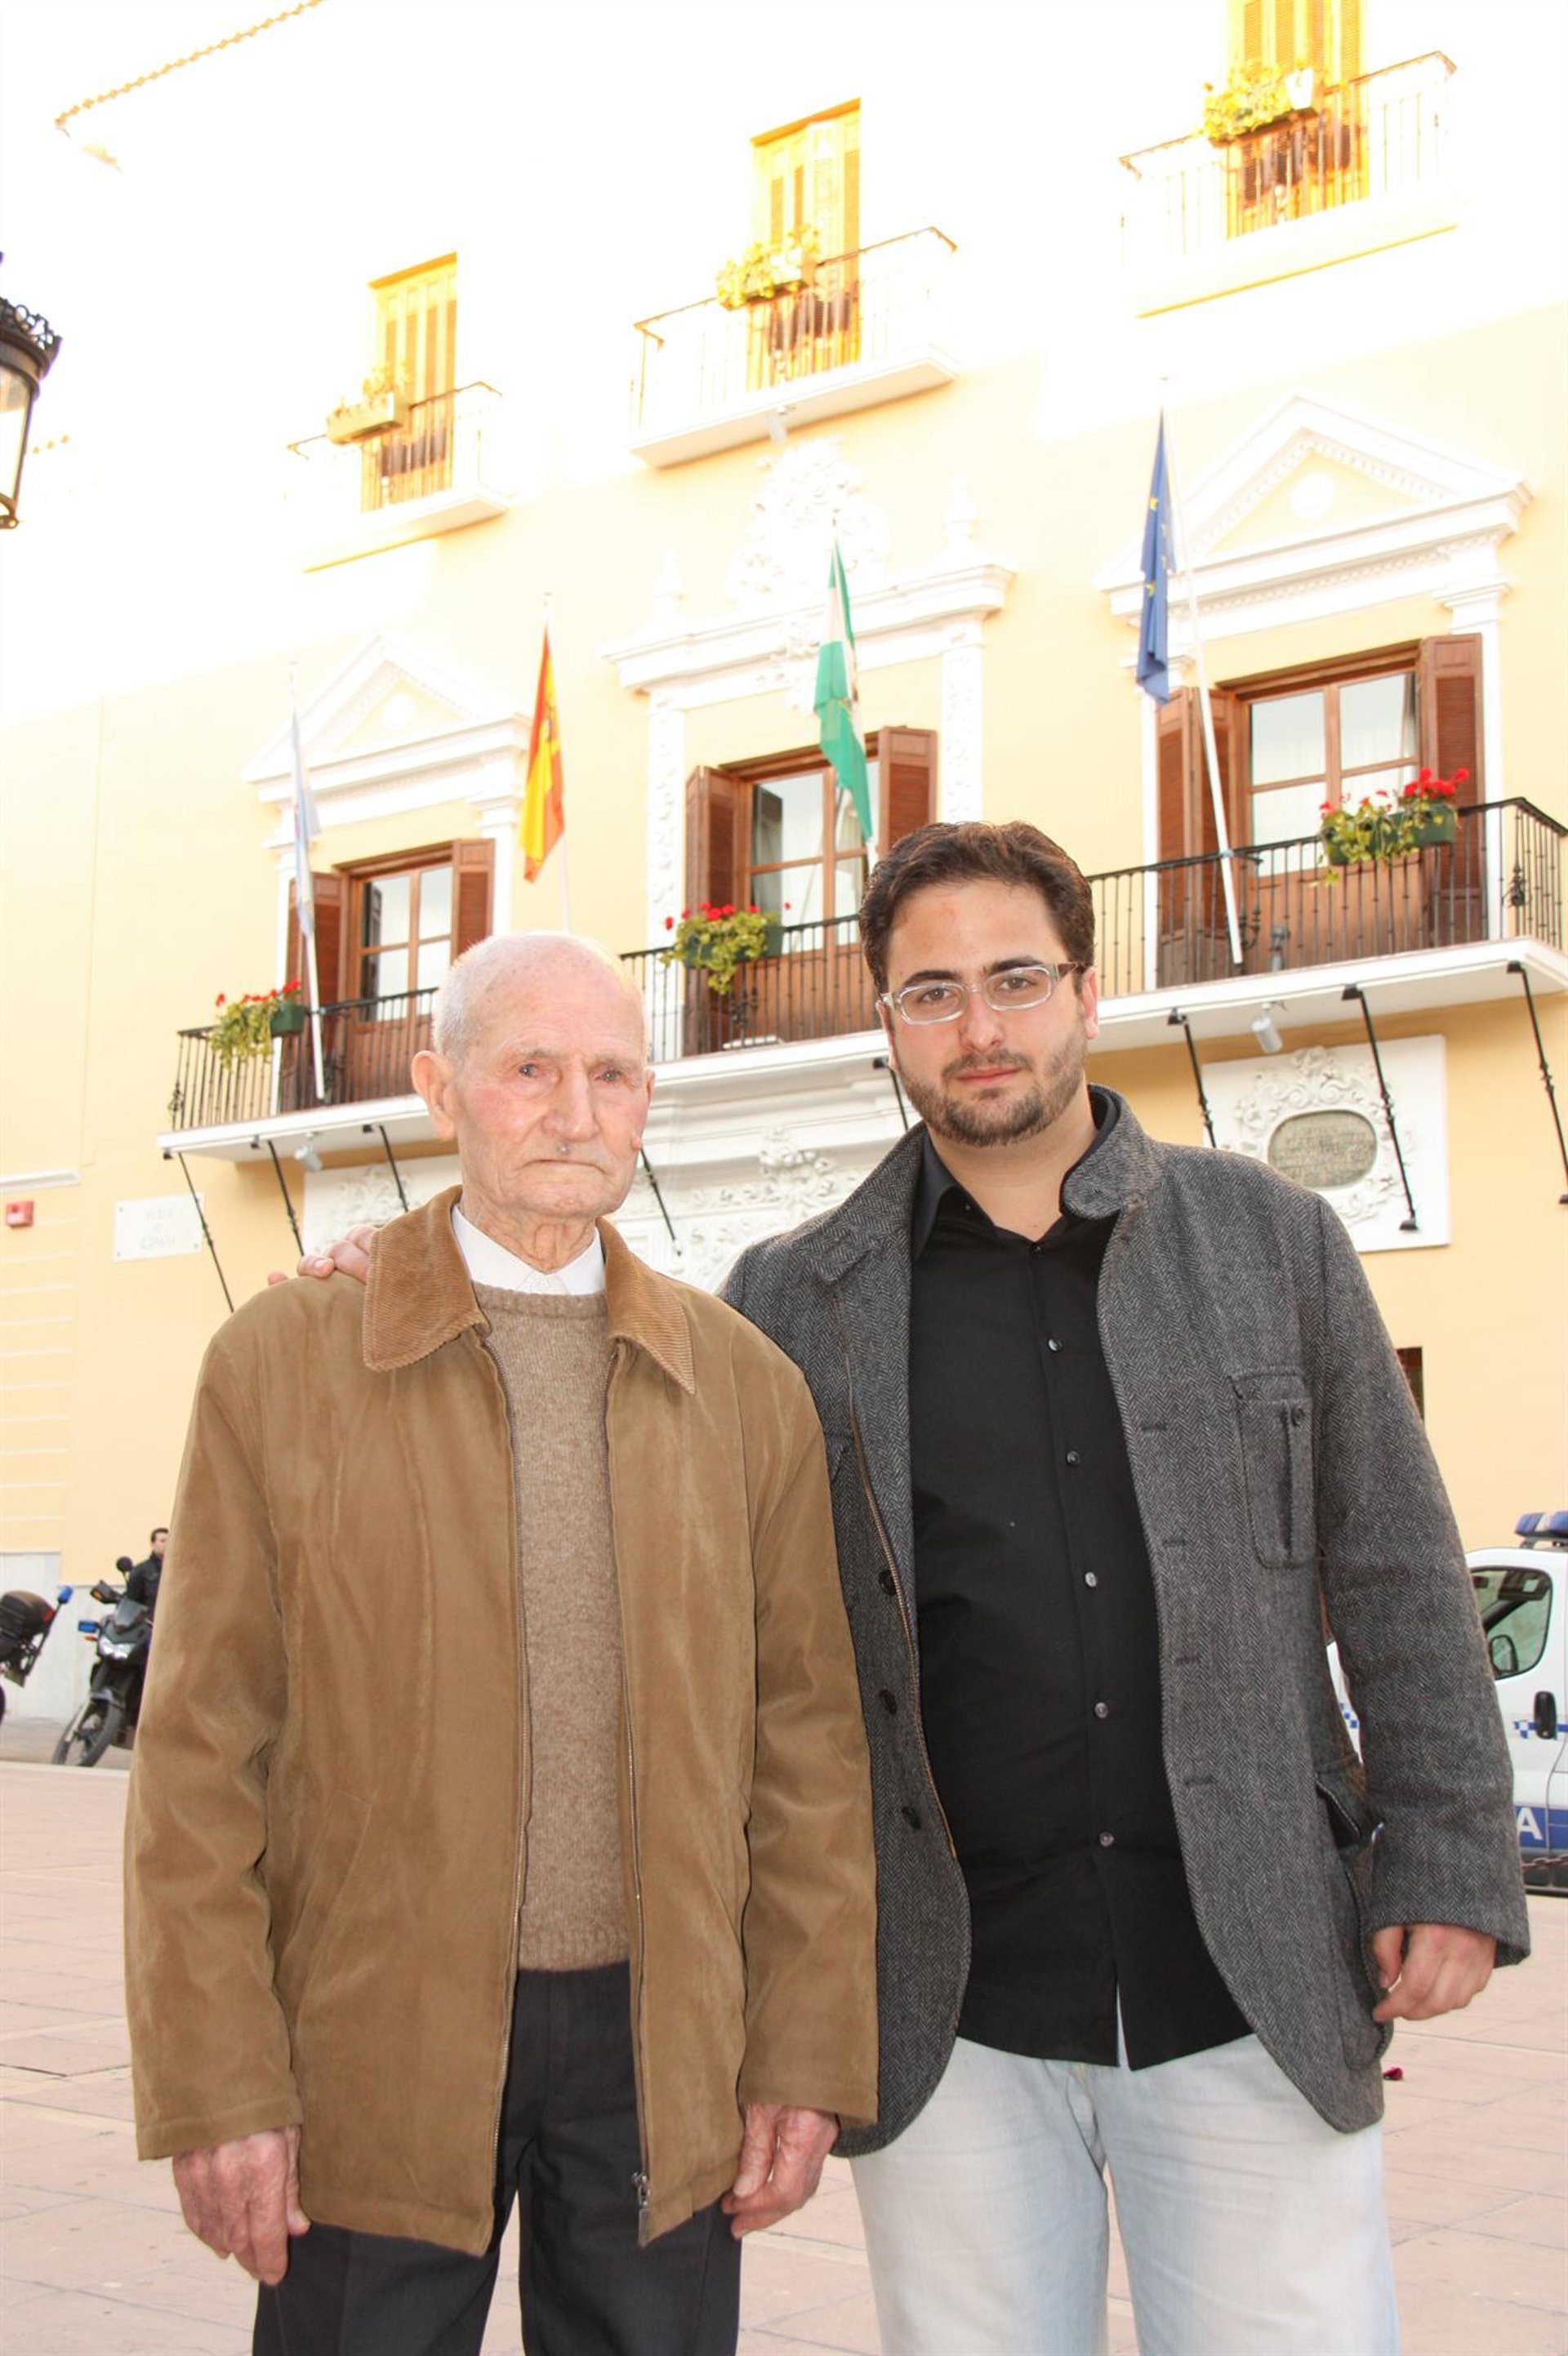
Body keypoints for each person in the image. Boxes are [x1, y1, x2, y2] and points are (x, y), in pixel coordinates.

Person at [305, 828, 1529, 2356]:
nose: (979, 1027)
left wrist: (1448, 1858)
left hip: (1252, 1973)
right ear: (886, 1022)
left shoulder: (1272, 1242)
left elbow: (1397, 1561)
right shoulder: (790, 1300)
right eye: (931, 993)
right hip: (949, 2016)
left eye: (1016, 980)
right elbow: (615, 1409)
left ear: (1085, 990)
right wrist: (420, 1271)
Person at [125, 933, 878, 2356]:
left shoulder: (746, 1388)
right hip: (376, 2047)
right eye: (530, 1069)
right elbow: (199, 1758)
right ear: (440, 1088)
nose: (576, 1113)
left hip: (666, 2057)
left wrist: (803, 2047)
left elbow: (809, 1753)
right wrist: (218, 2082)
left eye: (613, 1075)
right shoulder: (283, 1364)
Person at [123, 1525, 167, 1613]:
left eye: (170, 1541)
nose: (167, 1544)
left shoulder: (178, 1570)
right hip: (150, 1618)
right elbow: (132, 1602)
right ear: (153, 1544)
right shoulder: (141, 1571)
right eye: (162, 1541)